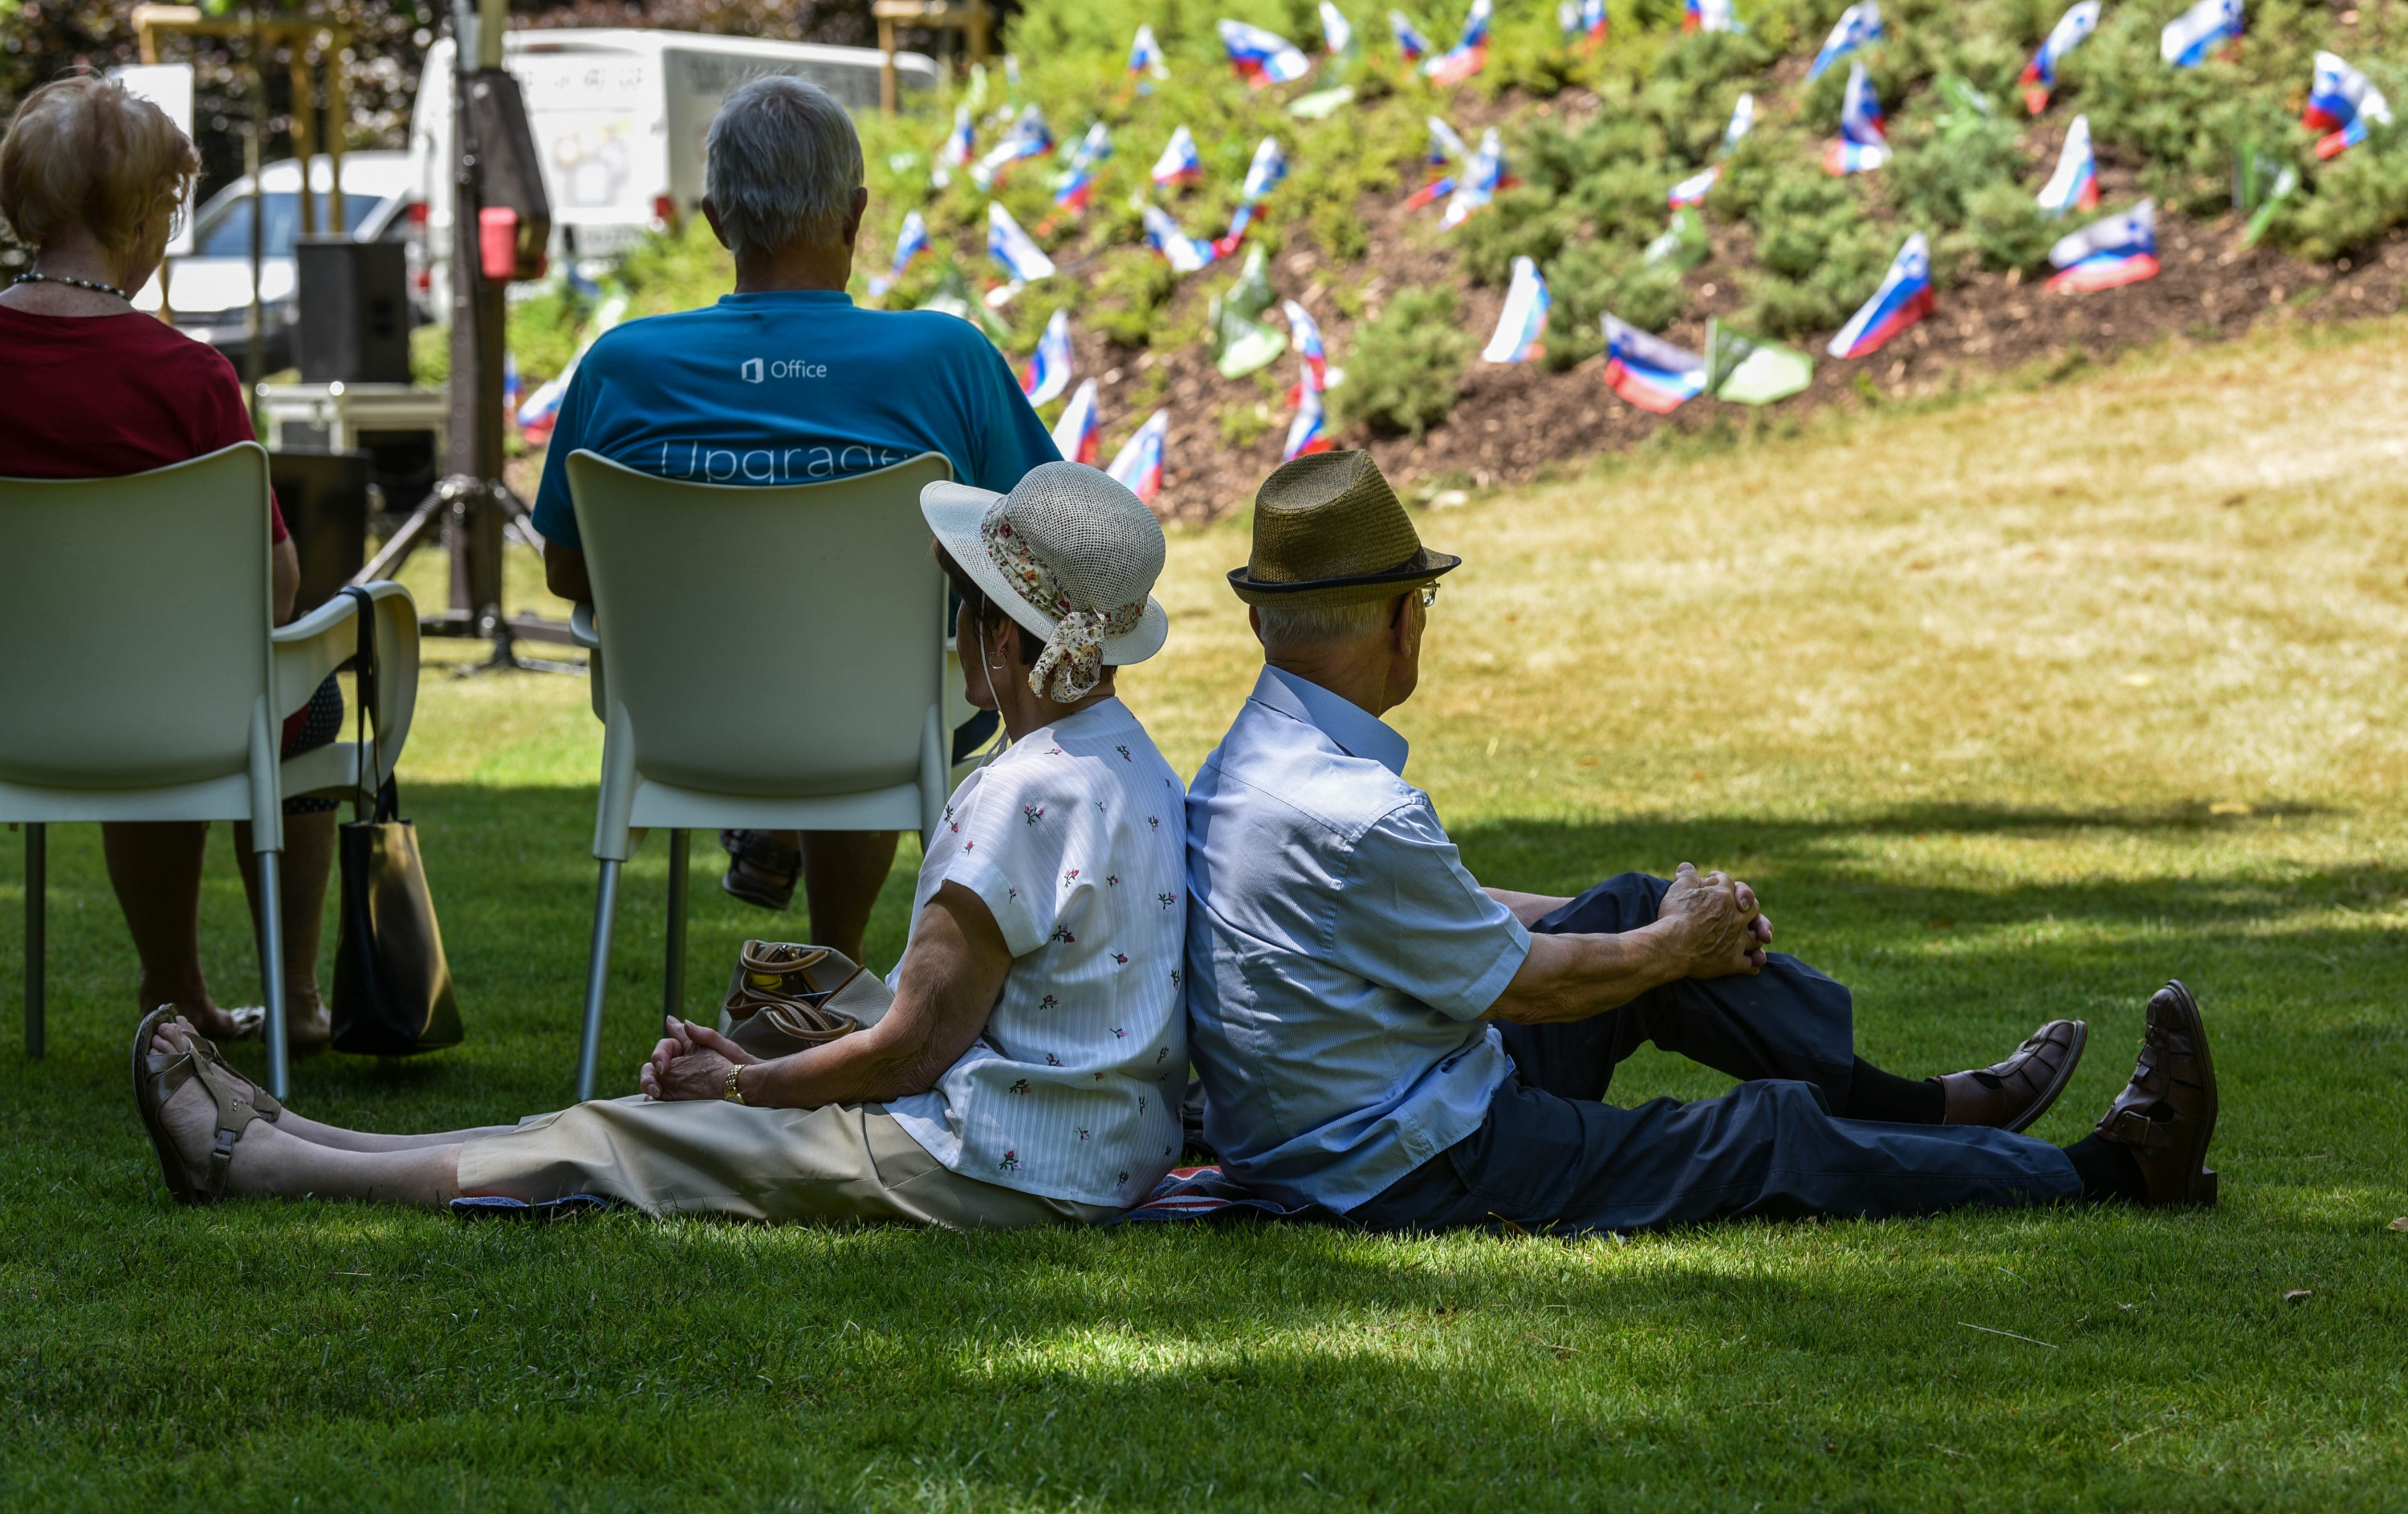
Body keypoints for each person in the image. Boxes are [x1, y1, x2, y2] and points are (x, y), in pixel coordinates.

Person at [133, 462, 1195, 1227]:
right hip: (1097, 1144)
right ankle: (300, 1136)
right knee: (623, 1117)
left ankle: (261, 1162)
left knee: (623, 1137)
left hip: (1005, 1162)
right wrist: (770, 1049)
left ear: (1003, 638)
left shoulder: (1017, 794)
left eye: (960, 604)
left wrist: (739, 1088)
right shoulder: (1135, 761)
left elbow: (914, 1050)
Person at [1183, 450, 2218, 1234]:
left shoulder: (1247, 767)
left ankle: (1928, 1112)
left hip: (1355, 1113)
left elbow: (1420, 915)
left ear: (1264, 623)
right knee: (1764, 1135)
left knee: (1634, 902)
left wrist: (1667, 925)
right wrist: (1681, 943)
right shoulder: (1355, 810)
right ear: (1407, 618)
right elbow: (1532, 988)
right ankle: (2111, 1173)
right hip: (1412, 1159)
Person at [529, 74, 1062, 961]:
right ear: (853, 216)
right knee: (883, 667)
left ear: (714, 219)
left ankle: (778, 839)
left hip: (679, 715)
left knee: (835, 666)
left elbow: (566, 571)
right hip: (890, 712)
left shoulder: (619, 366)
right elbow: (1049, 537)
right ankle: (836, 964)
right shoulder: (946, 358)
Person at [0, 74, 343, 1052]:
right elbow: (275, 590)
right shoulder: (188, 379)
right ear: (150, 213)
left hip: (12, 712)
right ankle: (299, 999)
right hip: (168, 712)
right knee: (300, 700)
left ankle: (174, 981)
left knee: (166, 695)